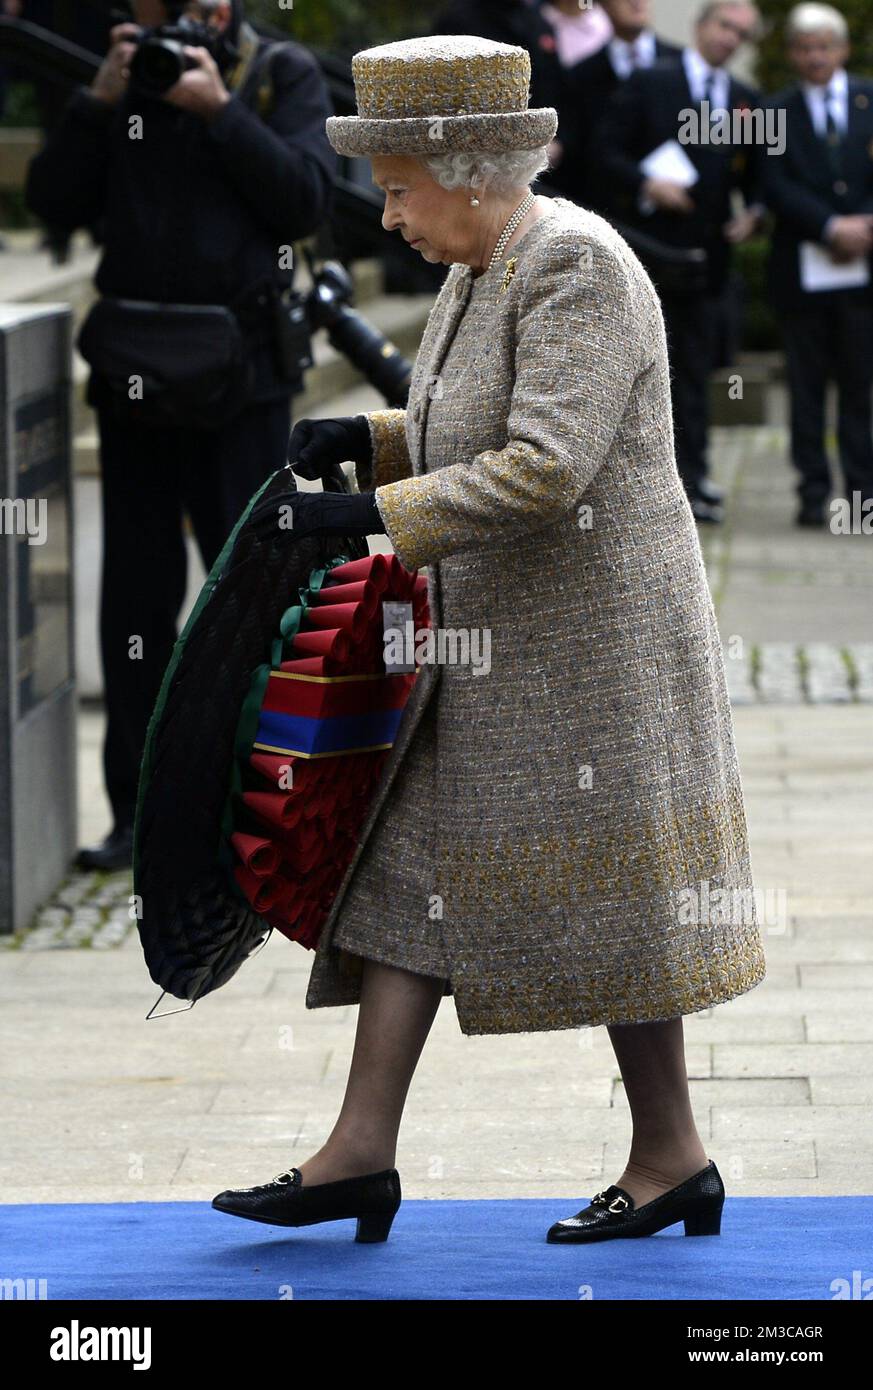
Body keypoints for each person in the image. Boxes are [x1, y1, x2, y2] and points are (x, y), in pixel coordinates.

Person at [210, 34, 767, 1246]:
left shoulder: (576, 264)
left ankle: (672, 1155)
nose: (389, 213)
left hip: (591, 654)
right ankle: (360, 1152)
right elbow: (466, 425)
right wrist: (368, 438)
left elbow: (545, 465)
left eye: (400, 184)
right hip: (499, 644)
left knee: (622, 901)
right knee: (408, 873)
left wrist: (365, 511)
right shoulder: (484, 261)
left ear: (467, 169)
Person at [24, 0, 336, 870]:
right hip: (138, 384)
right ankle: (138, 818)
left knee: (249, 597)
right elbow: (50, 201)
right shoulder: (119, 81)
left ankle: (254, 813)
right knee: (135, 604)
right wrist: (98, 103)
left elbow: (304, 201)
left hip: (242, 384)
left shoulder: (276, 75)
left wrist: (220, 113)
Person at [594, 0, 766, 523]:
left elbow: (759, 178)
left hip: (707, 263)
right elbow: (605, 152)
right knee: (639, 372)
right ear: (701, 26)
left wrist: (754, 214)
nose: (731, 39)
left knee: (694, 371)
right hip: (648, 253)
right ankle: (640, 483)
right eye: (724, 26)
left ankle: (693, 478)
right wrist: (648, 183)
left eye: (742, 33)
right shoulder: (652, 81)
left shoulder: (745, 100)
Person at [758, 2, 873, 527]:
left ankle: (862, 493)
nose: (815, 57)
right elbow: (772, 184)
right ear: (793, 55)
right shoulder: (774, 112)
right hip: (802, 272)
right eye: (805, 48)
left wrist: (863, 226)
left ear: (842, 50)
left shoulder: (870, 101)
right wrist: (829, 226)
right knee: (805, 388)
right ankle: (812, 494)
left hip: (863, 273)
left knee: (860, 386)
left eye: (825, 46)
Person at [556, 0, 683, 212]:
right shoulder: (581, 75)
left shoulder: (680, 66)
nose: (636, 2)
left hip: (670, 216)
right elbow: (581, 152)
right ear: (603, 5)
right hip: (605, 213)